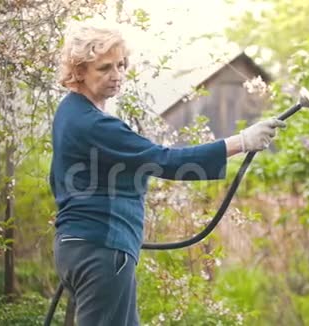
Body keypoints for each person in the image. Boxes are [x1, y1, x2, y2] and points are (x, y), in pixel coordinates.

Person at [49, 23, 285, 326]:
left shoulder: (69, 112)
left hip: (81, 247)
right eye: (104, 68)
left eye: (121, 65)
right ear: (79, 71)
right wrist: (242, 141)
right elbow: (164, 160)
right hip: (102, 252)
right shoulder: (94, 124)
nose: (117, 75)